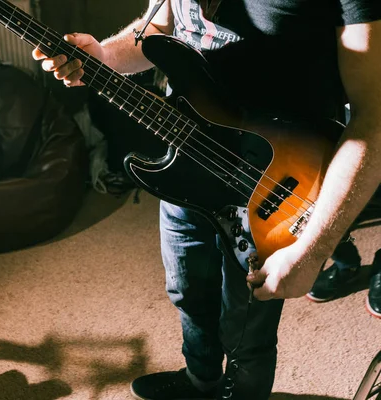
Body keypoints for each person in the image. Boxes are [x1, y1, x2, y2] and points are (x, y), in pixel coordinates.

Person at [32, 1, 381, 399]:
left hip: (276, 177)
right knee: (187, 290)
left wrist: (313, 250)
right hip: (189, 158)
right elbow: (161, 26)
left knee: (246, 325)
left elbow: (374, 117)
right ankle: (202, 381)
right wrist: (104, 55)